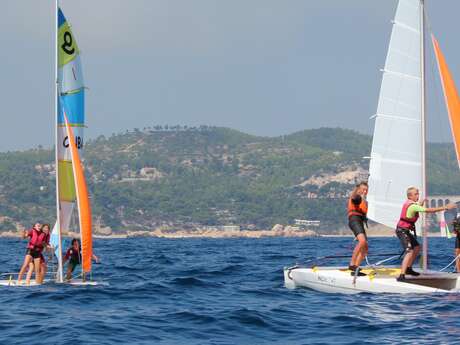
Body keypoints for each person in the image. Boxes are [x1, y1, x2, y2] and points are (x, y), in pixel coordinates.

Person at [396, 186, 456, 281]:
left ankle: (408, 269)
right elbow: (428, 210)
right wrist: (445, 207)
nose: (418, 195)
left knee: (416, 248)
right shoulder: (412, 205)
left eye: (418, 194)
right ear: (410, 196)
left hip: (406, 230)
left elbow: (417, 207)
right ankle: (401, 275)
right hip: (402, 231)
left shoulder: (413, 204)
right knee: (409, 251)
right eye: (416, 194)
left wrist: (422, 202)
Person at [347, 181, 369, 276]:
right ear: (359, 189)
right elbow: (354, 197)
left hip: (359, 222)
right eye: (363, 189)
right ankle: (352, 264)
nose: (364, 191)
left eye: (366, 190)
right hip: (354, 220)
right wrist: (356, 191)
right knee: (362, 241)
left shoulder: (364, 200)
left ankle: (356, 267)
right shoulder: (357, 197)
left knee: (365, 248)